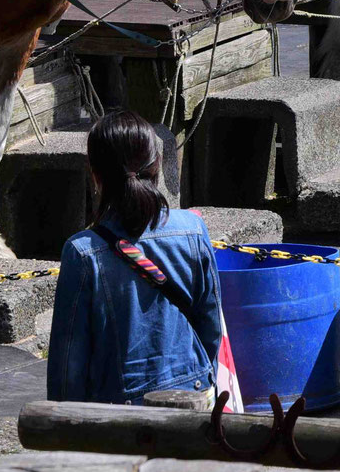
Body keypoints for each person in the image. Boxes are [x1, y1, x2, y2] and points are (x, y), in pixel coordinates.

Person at [47, 110, 225, 405]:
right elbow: (211, 326)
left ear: (95, 174)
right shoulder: (193, 229)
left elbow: (69, 365)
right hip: (195, 392)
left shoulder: (82, 252)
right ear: (156, 165)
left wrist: (63, 427)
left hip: (122, 410)